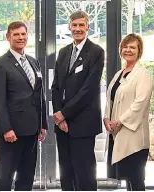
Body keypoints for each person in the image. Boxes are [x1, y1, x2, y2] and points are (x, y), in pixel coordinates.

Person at [0, 21, 48, 191]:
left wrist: (42, 124)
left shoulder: (33, 61)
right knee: (6, 177)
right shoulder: (0, 64)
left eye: (23, 34)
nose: (20, 38)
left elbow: (39, 94)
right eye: (16, 34)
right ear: (8, 37)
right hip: (12, 132)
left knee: (27, 176)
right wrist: (6, 128)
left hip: (32, 130)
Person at [51, 10, 104, 191]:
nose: (78, 29)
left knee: (85, 173)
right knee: (66, 172)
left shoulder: (96, 52)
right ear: (69, 27)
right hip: (62, 124)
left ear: (88, 27)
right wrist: (59, 116)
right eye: (74, 25)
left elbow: (88, 90)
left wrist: (64, 113)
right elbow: (56, 86)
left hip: (83, 123)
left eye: (82, 25)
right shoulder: (63, 52)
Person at [104, 34, 153, 191]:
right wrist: (106, 119)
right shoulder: (119, 73)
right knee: (127, 179)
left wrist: (119, 121)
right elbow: (109, 99)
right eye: (125, 47)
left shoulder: (143, 74)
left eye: (132, 47)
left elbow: (140, 103)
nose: (128, 50)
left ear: (139, 51)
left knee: (136, 180)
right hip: (117, 134)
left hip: (134, 136)